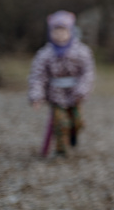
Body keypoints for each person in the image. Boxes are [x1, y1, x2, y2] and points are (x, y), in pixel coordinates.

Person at [28, 10, 95, 157]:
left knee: (77, 121)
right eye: (56, 31)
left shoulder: (81, 52)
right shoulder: (45, 54)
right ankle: (61, 150)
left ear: (71, 31)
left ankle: (73, 134)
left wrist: (82, 90)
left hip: (75, 94)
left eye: (63, 31)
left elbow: (87, 73)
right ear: (50, 33)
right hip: (56, 95)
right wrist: (36, 96)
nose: (59, 34)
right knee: (61, 122)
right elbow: (38, 76)